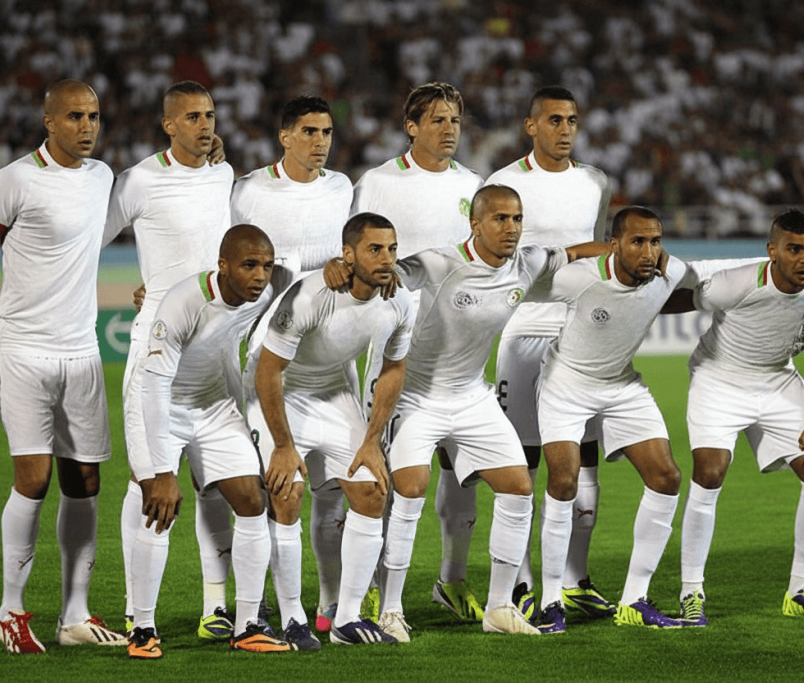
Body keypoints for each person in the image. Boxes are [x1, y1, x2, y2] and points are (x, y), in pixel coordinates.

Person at [375, 184, 607, 641]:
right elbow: (390, 273)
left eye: (517, 218)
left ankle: (500, 607)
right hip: (419, 394)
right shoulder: (440, 263)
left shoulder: (528, 263)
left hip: (470, 396)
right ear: (475, 223)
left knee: (518, 487)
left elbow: (579, 252)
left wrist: (619, 250)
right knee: (411, 489)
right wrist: (357, 271)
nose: (511, 228)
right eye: (500, 219)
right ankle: (391, 609)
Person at [0, 79, 126, 654]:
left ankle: (74, 616)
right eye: (75, 116)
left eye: (94, 116)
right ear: (48, 121)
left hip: (81, 350)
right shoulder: (14, 180)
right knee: (33, 478)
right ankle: (11, 610)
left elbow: (155, 195)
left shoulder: (102, 178)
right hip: (23, 347)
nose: (87, 126)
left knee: (86, 481)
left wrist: (210, 153)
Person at [532, 207, 753, 633]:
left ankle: (634, 599)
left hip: (621, 386)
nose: (650, 251)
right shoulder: (580, 277)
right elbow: (522, 285)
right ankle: (550, 602)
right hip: (566, 384)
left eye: (656, 241)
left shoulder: (669, 273)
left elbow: (713, 279)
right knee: (563, 482)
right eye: (638, 241)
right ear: (614, 245)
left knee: (667, 477)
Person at [102, 80, 240, 642]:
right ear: (169, 125)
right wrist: (149, 290)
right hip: (159, 344)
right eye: (192, 117)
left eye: (210, 115)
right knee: (147, 482)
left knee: (222, 482)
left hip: (216, 345)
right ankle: (139, 619)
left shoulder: (223, 174)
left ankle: (218, 608)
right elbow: (94, 240)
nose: (205, 125)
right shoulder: (137, 181)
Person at [676, 208, 804, 626]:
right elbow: (680, 300)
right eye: (794, 249)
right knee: (710, 471)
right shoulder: (736, 282)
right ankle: (691, 593)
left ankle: (801, 590)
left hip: (778, 382)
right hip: (718, 378)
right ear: (772, 251)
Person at [127, 224, 295, 658]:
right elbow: (154, 386)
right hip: (160, 402)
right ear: (222, 266)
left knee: (253, 502)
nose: (260, 275)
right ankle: (142, 628)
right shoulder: (185, 302)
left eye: (266, 265)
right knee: (158, 508)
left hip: (215, 404)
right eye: (249, 265)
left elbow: (308, 284)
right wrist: (163, 472)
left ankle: (248, 625)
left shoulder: (273, 284)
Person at [351, 81, 485, 622]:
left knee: (463, 470)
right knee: (384, 470)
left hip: (460, 352)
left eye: (454, 120)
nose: (449, 129)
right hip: (391, 348)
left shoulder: (476, 185)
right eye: (437, 120)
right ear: (411, 127)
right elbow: (353, 249)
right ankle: (375, 586)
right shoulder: (378, 183)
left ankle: (451, 580)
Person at [255, 213, 415, 646]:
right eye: (375, 249)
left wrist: (372, 442)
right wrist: (284, 446)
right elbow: (268, 372)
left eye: (392, 248)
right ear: (348, 255)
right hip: (282, 391)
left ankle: (346, 618)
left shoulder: (399, 300)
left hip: (332, 390)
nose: (387, 259)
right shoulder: (311, 294)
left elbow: (393, 369)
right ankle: (292, 618)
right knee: (286, 494)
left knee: (372, 490)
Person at [485, 85, 613, 621]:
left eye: (573, 120)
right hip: (523, 328)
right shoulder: (504, 184)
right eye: (555, 119)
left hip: (583, 337)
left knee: (584, 461)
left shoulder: (595, 182)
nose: (565, 129)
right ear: (531, 126)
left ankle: (575, 578)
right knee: (523, 461)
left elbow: (602, 250)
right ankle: (521, 583)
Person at [231, 95, 353, 637]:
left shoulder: (343, 188)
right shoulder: (251, 192)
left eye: (326, 131)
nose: (320, 140)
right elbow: (225, 253)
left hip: (333, 358)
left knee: (342, 488)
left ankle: (332, 604)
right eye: (308, 131)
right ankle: (273, 610)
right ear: (285, 137)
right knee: (281, 490)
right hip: (272, 355)